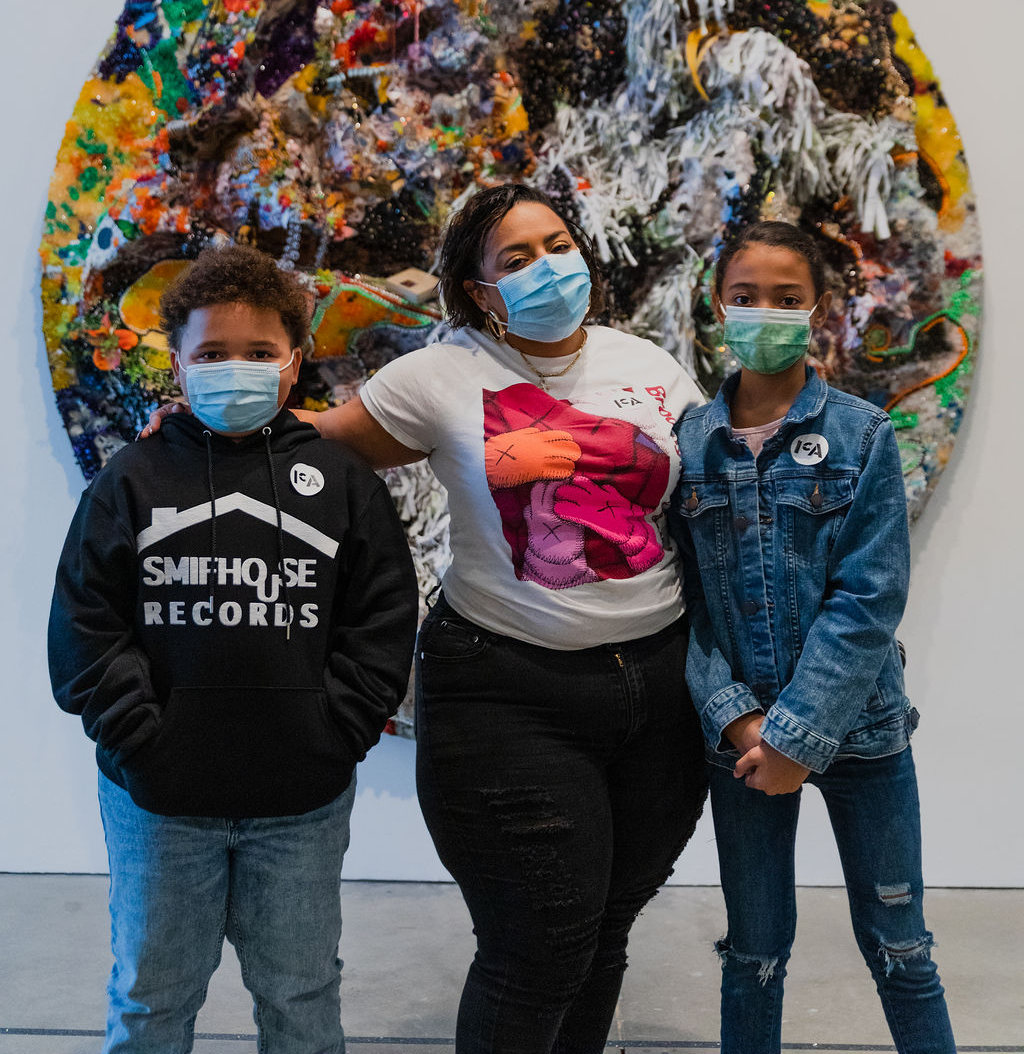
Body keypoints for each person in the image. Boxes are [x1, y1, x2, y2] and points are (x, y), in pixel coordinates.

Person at [286, 183, 708, 1054]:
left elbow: (703, 507)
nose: (549, 267)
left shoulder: (652, 366)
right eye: (516, 260)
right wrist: (207, 422)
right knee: (538, 946)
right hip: (508, 692)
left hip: (660, 691)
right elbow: (317, 444)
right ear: (479, 290)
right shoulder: (441, 376)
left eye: (556, 244)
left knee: (603, 932)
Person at [49, 245, 419, 1054]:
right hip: (158, 805)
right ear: (177, 364)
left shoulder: (341, 479)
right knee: (151, 999)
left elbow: (383, 619)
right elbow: (85, 627)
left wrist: (333, 734)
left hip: (300, 805)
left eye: (258, 353)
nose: (235, 369)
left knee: (301, 998)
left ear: (293, 363)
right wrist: (144, 741)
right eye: (212, 354)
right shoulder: (133, 479)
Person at [671, 220, 956, 1054]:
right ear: (718, 305)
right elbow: (679, 602)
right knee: (753, 954)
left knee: (902, 948)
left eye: (786, 299)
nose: (765, 312)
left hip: (863, 735)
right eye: (746, 297)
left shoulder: (863, 435)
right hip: (742, 745)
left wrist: (797, 732)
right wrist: (738, 720)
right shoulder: (689, 443)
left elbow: (868, 600)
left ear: (818, 310)